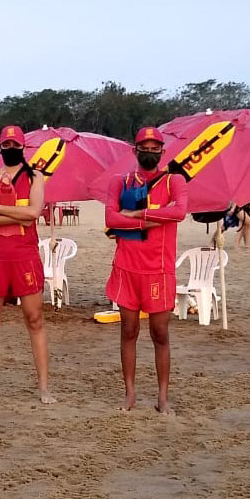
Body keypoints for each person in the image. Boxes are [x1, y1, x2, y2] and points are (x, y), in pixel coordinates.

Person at [0, 124, 54, 406]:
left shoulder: (35, 177)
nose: (12, 150)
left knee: (34, 319)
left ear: (24, 148)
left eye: (16, 146)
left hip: (25, 255)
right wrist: (16, 215)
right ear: (0, 148)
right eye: (7, 146)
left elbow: (33, 214)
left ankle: (43, 387)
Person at [104, 126, 188, 414]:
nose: (149, 152)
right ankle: (130, 393)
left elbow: (179, 212)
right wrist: (148, 223)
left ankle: (163, 396)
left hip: (159, 269)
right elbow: (112, 219)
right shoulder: (121, 182)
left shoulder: (173, 181)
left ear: (163, 151)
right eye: (145, 147)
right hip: (127, 267)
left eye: (155, 148)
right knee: (128, 330)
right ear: (135, 150)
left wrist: (138, 213)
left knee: (160, 333)